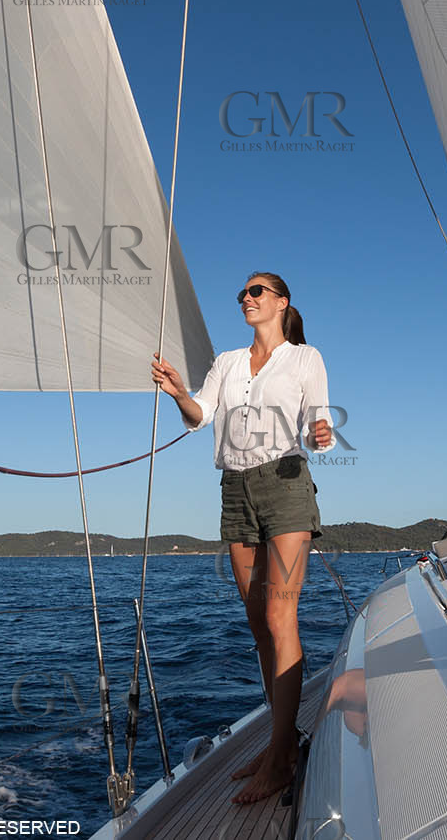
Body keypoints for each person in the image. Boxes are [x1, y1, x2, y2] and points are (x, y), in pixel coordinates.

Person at [150, 271, 333, 804]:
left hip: (285, 485)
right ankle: (283, 741)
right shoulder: (228, 362)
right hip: (235, 489)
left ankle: (279, 757)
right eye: (242, 294)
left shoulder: (305, 358)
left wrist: (322, 432)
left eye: (256, 292)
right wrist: (180, 392)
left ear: (281, 302)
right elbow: (201, 415)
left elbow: (318, 418)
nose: (246, 299)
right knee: (258, 624)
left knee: (280, 615)